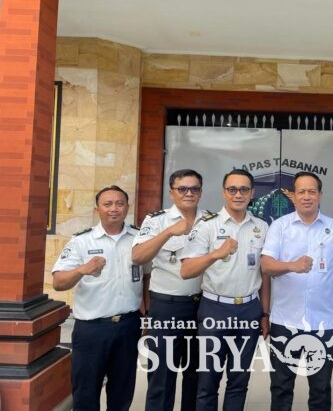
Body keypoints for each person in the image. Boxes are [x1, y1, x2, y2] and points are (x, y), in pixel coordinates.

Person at [261, 171, 333, 411]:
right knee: (281, 387)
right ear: (293, 196)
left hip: (322, 322)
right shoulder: (280, 227)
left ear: (320, 195)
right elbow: (266, 265)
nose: (306, 196)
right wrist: (292, 265)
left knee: (321, 388)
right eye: (301, 191)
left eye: (312, 191)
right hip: (285, 320)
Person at [180, 168, 270, 411]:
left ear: (252, 193)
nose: (238, 194)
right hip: (215, 310)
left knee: (239, 381)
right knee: (207, 382)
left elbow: (265, 274)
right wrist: (216, 254)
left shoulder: (261, 227)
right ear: (223, 192)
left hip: (249, 310)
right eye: (232, 189)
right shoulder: (207, 226)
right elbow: (186, 270)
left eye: (243, 190)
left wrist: (265, 313)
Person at [52, 185, 147, 411]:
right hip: (91, 329)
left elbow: (148, 277)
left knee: (122, 392)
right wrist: (81, 270)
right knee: (86, 392)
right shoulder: (82, 241)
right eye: (107, 204)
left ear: (128, 207)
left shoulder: (139, 239)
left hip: (128, 325)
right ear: (97, 209)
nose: (114, 209)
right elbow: (58, 282)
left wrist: (147, 316)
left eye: (119, 203)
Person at [132, 169, 206, 411]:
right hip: (167, 307)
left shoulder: (211, 221)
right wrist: (167, 233)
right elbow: (138, 256)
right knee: (162, 375)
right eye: (182, 189)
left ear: (201, 192)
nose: (189, 193)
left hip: (202, 306)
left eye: (194, 188)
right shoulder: (157, 220)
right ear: (171, 192)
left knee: (197, 374)